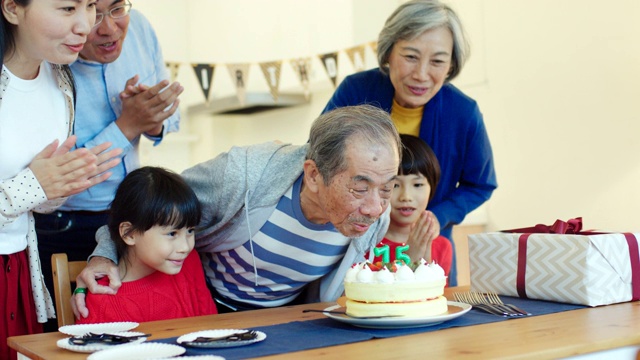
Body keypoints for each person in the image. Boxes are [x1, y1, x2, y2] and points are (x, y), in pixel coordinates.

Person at [73, 104, 401, 317]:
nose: (374, 208)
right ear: (314, 174)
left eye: (387, 187)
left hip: (288, 320)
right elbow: (145, 211)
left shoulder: (373, 215)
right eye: (359, 188)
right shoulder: (243, 174)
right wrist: (104, 255)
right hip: (202, 308)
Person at [322, 0, 497, 286]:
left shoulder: (464, 113)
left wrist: (437, 217)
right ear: (389, 52)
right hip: (349, 246)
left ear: (451, 65)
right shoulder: (355, 91)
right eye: (411, 56)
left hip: (426, 247)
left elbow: (480, 183)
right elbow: (320, 158)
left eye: (438, 61)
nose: (421, 74)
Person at [33, 0, 182, 330]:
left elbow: (172, 118)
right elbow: (55, 178)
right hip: (62, 225)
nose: (108, 28)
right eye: (93, 12)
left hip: (131, 218)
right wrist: (127, 124)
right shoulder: (44, 58)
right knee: (74, 335)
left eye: (117, 8)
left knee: (141, 331)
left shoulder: (140, 27)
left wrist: (151, 117)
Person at [0, 0, 122, 358]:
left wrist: (58, 188)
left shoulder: (60, 80)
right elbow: (22, 191)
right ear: (12, 8)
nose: (85, 25)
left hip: (19, 265)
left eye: (88, 6)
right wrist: (32, 187)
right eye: (67, 8)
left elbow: (28, 202)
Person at [76, 167, 217, 323]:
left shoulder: (189, 263)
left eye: (190, 231)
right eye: (172, 234)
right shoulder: (103, 297)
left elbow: (210, 330)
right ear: (129, 233)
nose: (185, 247)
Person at [367, 134, 452, 281]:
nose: (406, 196)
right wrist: (411, 259)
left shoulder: (442, 246)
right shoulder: (365, 242)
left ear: (432, 188)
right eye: (395, 185)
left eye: (417, 185)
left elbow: (433, 300)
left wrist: (423, 261)